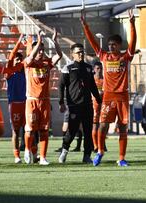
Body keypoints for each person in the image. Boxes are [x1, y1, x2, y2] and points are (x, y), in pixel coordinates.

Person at [81, 9, 137, 167]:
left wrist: (132, 24)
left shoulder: (126, 57)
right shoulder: (104, 56)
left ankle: (121, 158)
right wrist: (85, 26)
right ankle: (100, 151)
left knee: (123, 128)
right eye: (109, 44)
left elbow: (133, 42)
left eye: (114, 44)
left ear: (119, 45)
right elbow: (92, 41)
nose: (111, 47)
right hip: (108, 96)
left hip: (123, 96)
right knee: (103, 125)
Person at [23, 29, 62, 165]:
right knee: (30, 129)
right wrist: (38, 41)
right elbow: (29, 59)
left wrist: (55, 41)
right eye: (38, 50)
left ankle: (43, 157)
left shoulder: (47, 63)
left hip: (45, 101)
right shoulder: (29, 63)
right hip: (32, 101)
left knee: (44, 130)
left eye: (42, 50)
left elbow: (59, 55)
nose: (40, 52)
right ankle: (27, 150)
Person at [58, 43, 102, 164]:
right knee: (72, 131)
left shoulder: (88, 68)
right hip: (74, 105)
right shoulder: (68, 68)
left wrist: (99, 100)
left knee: (88, 131)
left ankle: (86, 156)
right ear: (72, 54)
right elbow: (61, 86)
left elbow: (92, 86)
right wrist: (61, 101)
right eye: (78, 52)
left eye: (82, 52)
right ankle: (64, 150)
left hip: (87, 105)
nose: (81, 54)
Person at [5, 34, 26, 164]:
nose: (18, 61)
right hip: (14, 104)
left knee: (30, 129)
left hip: (26, 103)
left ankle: (32, 153)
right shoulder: (9, 72)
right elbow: (11, 55)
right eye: (16, 59)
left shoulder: (26, 72)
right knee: (16, 130)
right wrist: (19, 41)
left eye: (20, 59)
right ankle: (17, 155)